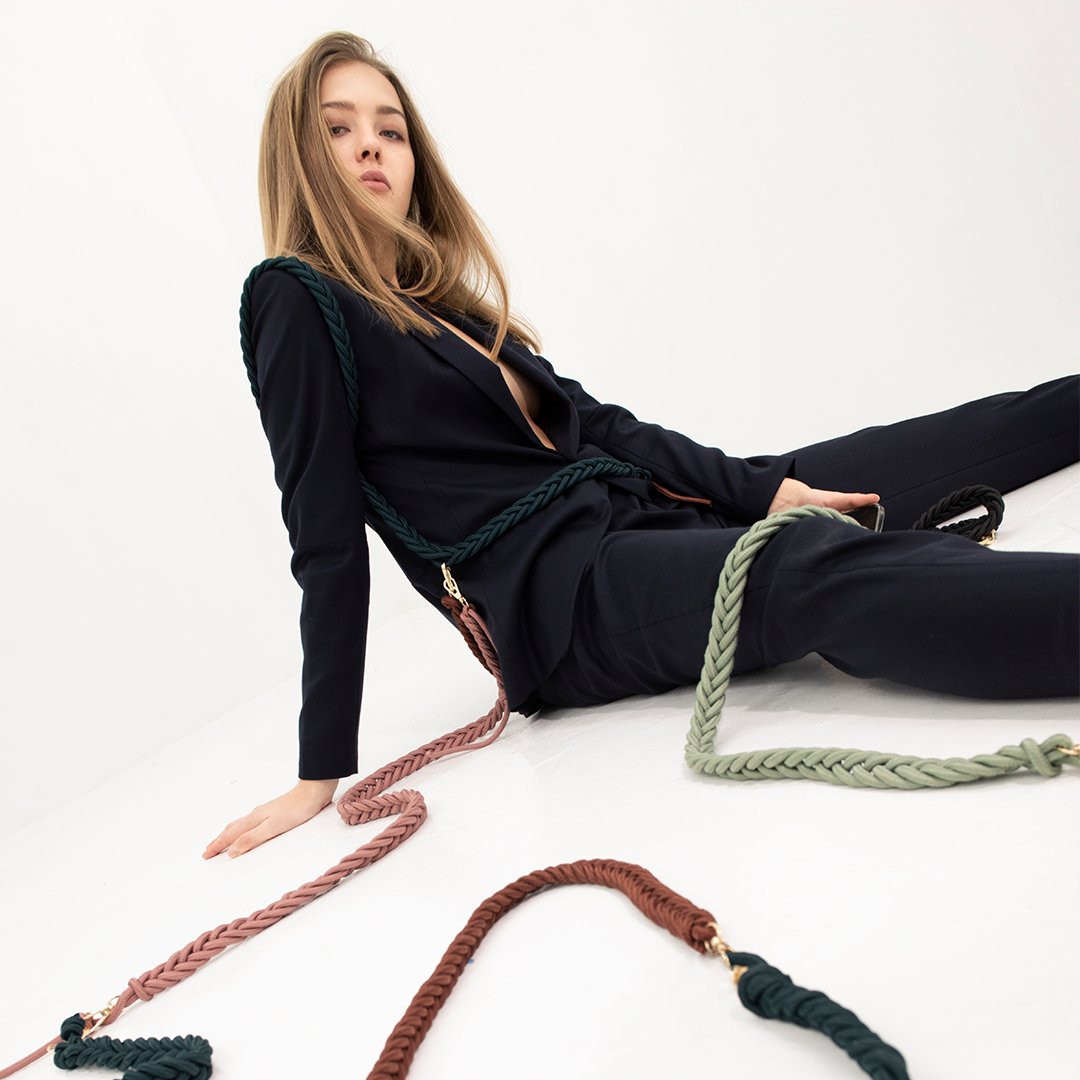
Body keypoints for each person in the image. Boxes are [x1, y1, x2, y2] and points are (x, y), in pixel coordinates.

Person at [204, 32, 1079, 860]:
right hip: (571, 604)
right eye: (338, 129)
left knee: (904, 454)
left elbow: (605, 427)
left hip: (637, 517)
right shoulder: (294, 297)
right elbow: (324, 539)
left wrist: (764, 490)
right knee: (807, 566)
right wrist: (320, 769)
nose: (370, 145)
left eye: (390, 130)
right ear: (298, 158)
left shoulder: (447, 309)